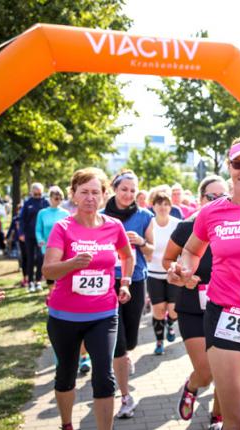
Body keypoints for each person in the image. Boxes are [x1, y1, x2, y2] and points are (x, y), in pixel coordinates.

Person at [169, 137, 240, 430]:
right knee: (239, 419)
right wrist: (184, 270)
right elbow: (192, 250)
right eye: (238, 164)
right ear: (229, 167)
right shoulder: (212, 211)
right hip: (225, 315)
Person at [42, 167, 134, 430]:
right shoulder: (62, 227)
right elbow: (48, 270)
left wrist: (125, 282)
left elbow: (128, 255)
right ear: (73, 195)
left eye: (96, 192)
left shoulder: (114, 226)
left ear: (105, 195)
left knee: (104, 377)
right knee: (66, 375)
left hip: (104, 314)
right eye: (84, 192)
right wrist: (72, 263)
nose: (90, 198)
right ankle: (67, 424)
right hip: (64, 316)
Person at [164, 175, 227, 427]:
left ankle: (217, 416)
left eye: (222, 196)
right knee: (206, 371)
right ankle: (191, 386)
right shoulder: (186, 227)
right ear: (201, 199)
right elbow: (167, 260)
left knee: (225, 372)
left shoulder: (234, 227)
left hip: (226, 308)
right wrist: (181, 275)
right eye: (212, 197)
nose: (217, 201)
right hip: (193, 308)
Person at [103, 170, 154, 419]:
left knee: (131, 340)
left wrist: (142, 242)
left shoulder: (144, 216)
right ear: (114, 189)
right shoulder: (101, 217)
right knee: (119, 345)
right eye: (124, 189)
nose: (128, 194)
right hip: (107, 281)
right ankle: (124, 396)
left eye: (133, 190)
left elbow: (153, 252)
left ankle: (124, 358)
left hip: (135, 280)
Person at [146, 190, 180, 355]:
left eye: (166, 204)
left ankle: (171, 324)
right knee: (158, 310)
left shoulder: (177, 224)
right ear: (153, 206)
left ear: (170, 206)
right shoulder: (149, 223)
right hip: (153, 274)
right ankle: (159, 341)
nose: (163, 207)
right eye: (159, 203)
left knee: (173, 310)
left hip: (172, 274)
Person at [36, 186, 71, 282]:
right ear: (50, 198)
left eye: (61, 198)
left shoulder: (66, 213)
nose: (58, 200)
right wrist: (40, 240)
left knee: (61, 269)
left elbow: (69, 229)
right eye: (56, 198)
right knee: (50, 269)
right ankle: (51, 292)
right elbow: (38, 229)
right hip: (47, 245)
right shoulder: (42, 213)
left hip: (63, 245)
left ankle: (59, 289)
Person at [21, 183, 49, 292]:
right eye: (35, 193)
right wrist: (21, 233)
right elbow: (22, 219)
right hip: (29, 236)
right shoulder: (27, 203)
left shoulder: (45, 202)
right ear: (32, 192)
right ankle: (30, 282)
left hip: (42, 236)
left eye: (40, 193)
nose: (37, 196)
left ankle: (38, 281)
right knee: (30, 259)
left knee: (40, 258)